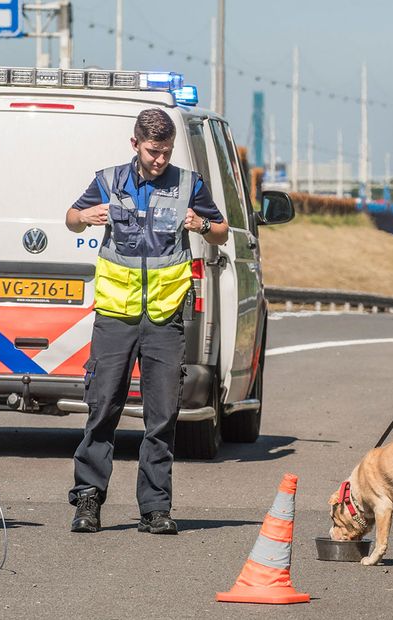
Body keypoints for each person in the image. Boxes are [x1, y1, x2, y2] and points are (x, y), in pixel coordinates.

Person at [64, 108, 228, 535]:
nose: (160, 159)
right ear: (135, 144)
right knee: (103, 410)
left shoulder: (188, 183)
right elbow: (70, 217)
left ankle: (155, 508)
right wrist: (84, 216)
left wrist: (203, 223)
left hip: (165, 317)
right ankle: (88, 500)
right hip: (115, 315)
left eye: (166, 152)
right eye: (153, 151)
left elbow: (222, 231)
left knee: (161, 417)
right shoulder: (108, 179)